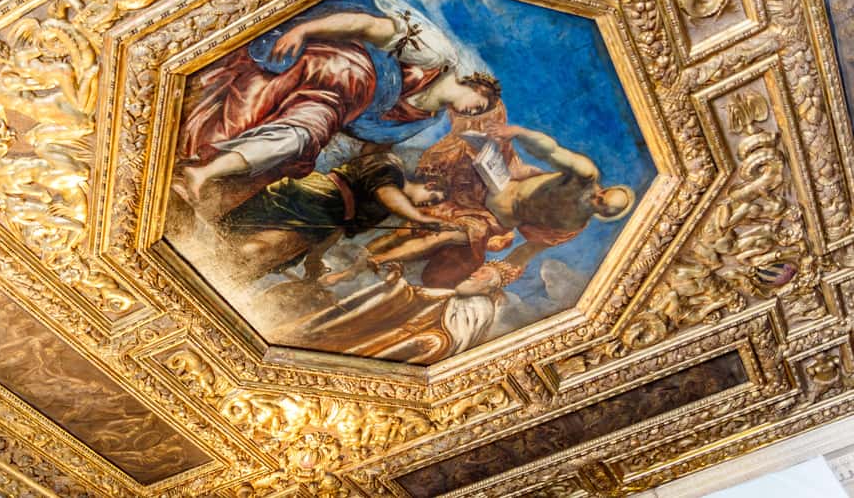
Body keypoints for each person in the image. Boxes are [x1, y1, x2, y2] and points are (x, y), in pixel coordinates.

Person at [175, 4, 501, 208]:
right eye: (480, 105)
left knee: (298, 140)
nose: (473, 112)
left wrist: (391, 182)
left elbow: (373, 149)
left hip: (332, 106)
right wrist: (304, 30)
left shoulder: (424, 120)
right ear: (478, 87)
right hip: (330, 66)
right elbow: (366, 25)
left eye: (478, 113)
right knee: (247, 112)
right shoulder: (436, 55)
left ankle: (202, 173)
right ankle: (198, 161)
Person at [363, 123, 635, 285]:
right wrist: (518, 132)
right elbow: (551, 151)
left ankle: (379, 261)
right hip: (484, 188)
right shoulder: (584, 176)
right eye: (602, 195)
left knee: (444, 236)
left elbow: (526, 251)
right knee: (409, 225)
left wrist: (496, 275)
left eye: (602, 206)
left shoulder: (570, 225)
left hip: (491, 221)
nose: (596, 199)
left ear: (604, 214)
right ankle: (364, 252)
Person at [217, 151, 447, 281]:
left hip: (324, 219)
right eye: (435, 198)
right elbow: (387, 193)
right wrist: (422, 218)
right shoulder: (391, 168)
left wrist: (314, 260)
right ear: (431, 184)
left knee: (263, 252)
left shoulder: (383, 211)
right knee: (259, 249)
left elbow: (338, 229)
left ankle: (222, 271)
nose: (429, 204)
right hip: (319, 198)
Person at [277, 259, 523, 364]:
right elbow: (418, 294)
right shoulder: (456, 294)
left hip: (418, 338)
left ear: (490, 284)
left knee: (426, 343)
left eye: (481, 273)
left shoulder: (481, 307)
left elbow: (458, 338)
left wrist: (434, 338)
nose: (473, 273)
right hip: (403, 329)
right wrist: (397, 280)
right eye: (478, 270)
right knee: (362, 324)